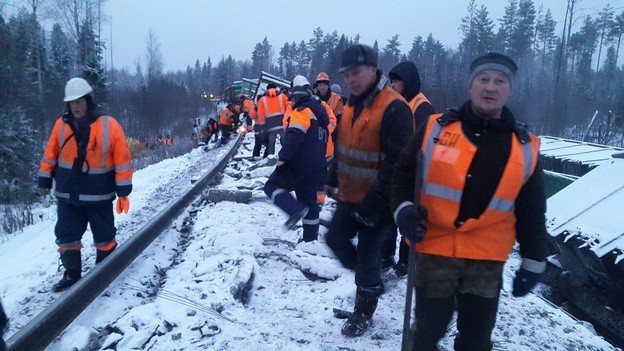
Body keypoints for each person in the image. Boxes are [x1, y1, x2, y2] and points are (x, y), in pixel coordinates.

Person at [391, 52, 549, 351]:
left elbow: (532, 209)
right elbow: (402, 172)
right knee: (426, 333)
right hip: (435, 251)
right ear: (470, 86)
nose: (491, 87)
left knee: (476, 340)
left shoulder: (526, 147)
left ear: (509, 90)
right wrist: (403, 210)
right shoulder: (435, 129)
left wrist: (534, 259)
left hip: (486, 261)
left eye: (500, 81)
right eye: (483, 79)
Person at [324, 44, 414, 337]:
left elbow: (397, 165)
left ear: (374, 71)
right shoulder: (351, 104)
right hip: (351, 197)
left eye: (357, 73)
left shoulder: (394, 108)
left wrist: (373, 204)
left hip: (379, 203)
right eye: (347, 74)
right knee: (336, 239)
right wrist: (333, 175)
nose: (352, 79)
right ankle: (372, 285)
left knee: (366, 254)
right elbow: (344, 145)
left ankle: (364, 309)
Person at [38, 77, 133, 292]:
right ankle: (72, 274)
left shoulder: (109, 125)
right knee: (66, 235)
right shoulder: (61, 125)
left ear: (88, 101)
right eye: (72, 103)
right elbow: (50, 154)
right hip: (68, 195)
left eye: (79, 102)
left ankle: (103, 272)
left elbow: (122, 158)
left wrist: (123, 189)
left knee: (104, 236)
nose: (76, 107)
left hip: (98, 195)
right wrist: (44, 178)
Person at [382, 61, 436, 275]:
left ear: (409, 83)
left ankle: (405, 262)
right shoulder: (397, 102)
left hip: (412, 174)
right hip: (393, 169)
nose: (393, 85)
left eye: (398, 81)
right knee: (389, 217)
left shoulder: (422, 107)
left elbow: (424, 143)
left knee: (407, 218)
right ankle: (385, 256)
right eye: (392, 81)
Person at [263, 75, 330, 242]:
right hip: (315, 166)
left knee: (270, 186)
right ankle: (310, 241)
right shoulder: (320, 113)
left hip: (298, 164)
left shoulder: (301, 112)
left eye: (292, 97)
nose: (291, 101)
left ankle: (293, 209)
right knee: (310, 204)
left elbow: (294, 137)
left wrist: (282, 159)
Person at [257, 83, 289, 156]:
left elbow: (260, 114)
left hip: (270, 125)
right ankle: (286, 157)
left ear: (267, 89)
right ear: (276, 88)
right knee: (284, 142)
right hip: (282, 123)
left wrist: (262, 126)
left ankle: (270, 159)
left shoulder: (262, 99)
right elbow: (289, 108)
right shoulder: (282, 96)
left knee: (271, 143)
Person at [315, 72, 344, 143]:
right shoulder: (313, 98)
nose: (322, 87)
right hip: (316, 133)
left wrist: (335, 132)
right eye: (320, 85)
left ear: (328, 85)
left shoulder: (336, 98)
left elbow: (340, 118)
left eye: (324, 84)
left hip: (332, 134)